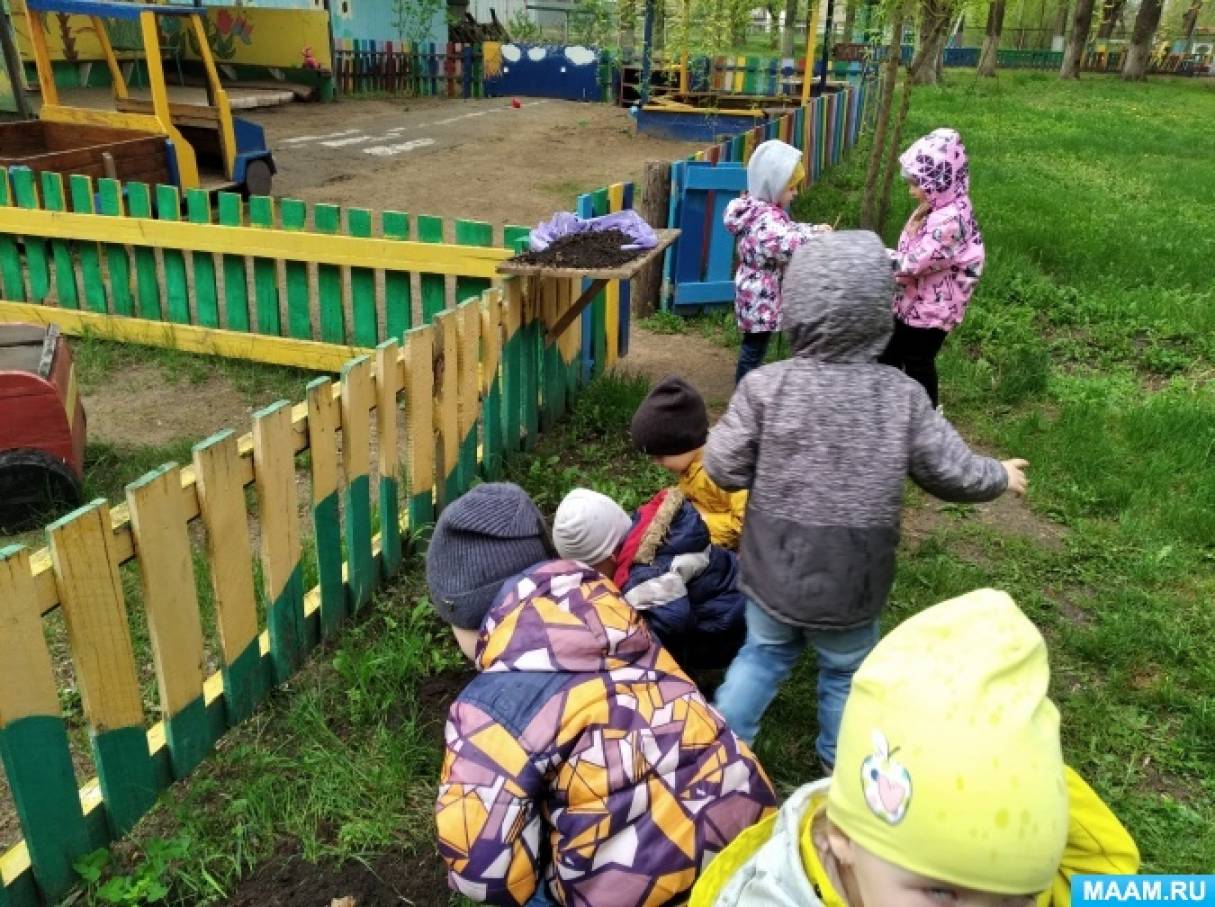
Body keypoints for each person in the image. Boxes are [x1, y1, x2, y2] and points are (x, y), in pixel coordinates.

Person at [704, 230, 1029, 769]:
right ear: (881, 309)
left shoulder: (765, 387)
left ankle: (723, 752)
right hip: (854, 575)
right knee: (846, 673)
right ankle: (841, 769)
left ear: (795, 304)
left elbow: (722, 466)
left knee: (761, 655)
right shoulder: (902, 395)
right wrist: (997, 475)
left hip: (775, 565)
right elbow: (949, 470)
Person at [426, 483, 776, 907]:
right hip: (754, 845)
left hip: (646, 891)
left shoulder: (489, 709)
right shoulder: (618, 616)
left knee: (530, 887)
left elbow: (482, 874)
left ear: (467, 618)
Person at [690, 589, 1141, 906]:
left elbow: (1112, 887)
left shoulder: (896, 863)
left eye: (1015, 902)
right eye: (942, 893)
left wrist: (1025, 770)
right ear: (842, 839)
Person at [552, 486, 747, 671]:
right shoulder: (651, 526)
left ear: (611, 557)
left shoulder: (645, 579)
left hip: (728, 625)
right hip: (736, 584)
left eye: (591, 568)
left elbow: (670, 631)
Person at [879, 127, 986, 410]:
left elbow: (915, 262)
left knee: (917, 360)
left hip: (934, 309)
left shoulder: (950, 220)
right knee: (889, 352)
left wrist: (872, 256)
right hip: (914, 299)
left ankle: (927, 418)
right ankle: (887, 408)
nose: (911, 191)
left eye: (917, 184)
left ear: (939, 181)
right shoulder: (937, 205)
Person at [723, 139, 832, 384]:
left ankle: (752, 387)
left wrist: (813, 229)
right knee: (753, 350)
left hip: (758, 291)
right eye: (791, 188)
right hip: (759, 296)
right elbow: (786, 244)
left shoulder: (760, 210)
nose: (795, 193)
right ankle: (744, 392)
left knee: (755, 346)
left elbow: (789, 230)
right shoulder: (765, 219)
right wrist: (817, 237)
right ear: (773, 185)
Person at [631, 375, 747, 550]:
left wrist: (700, 523)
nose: (656, 463)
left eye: (660, 456)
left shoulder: (723, 470)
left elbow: (745, 522)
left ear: (683, 444)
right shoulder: (690, 463)